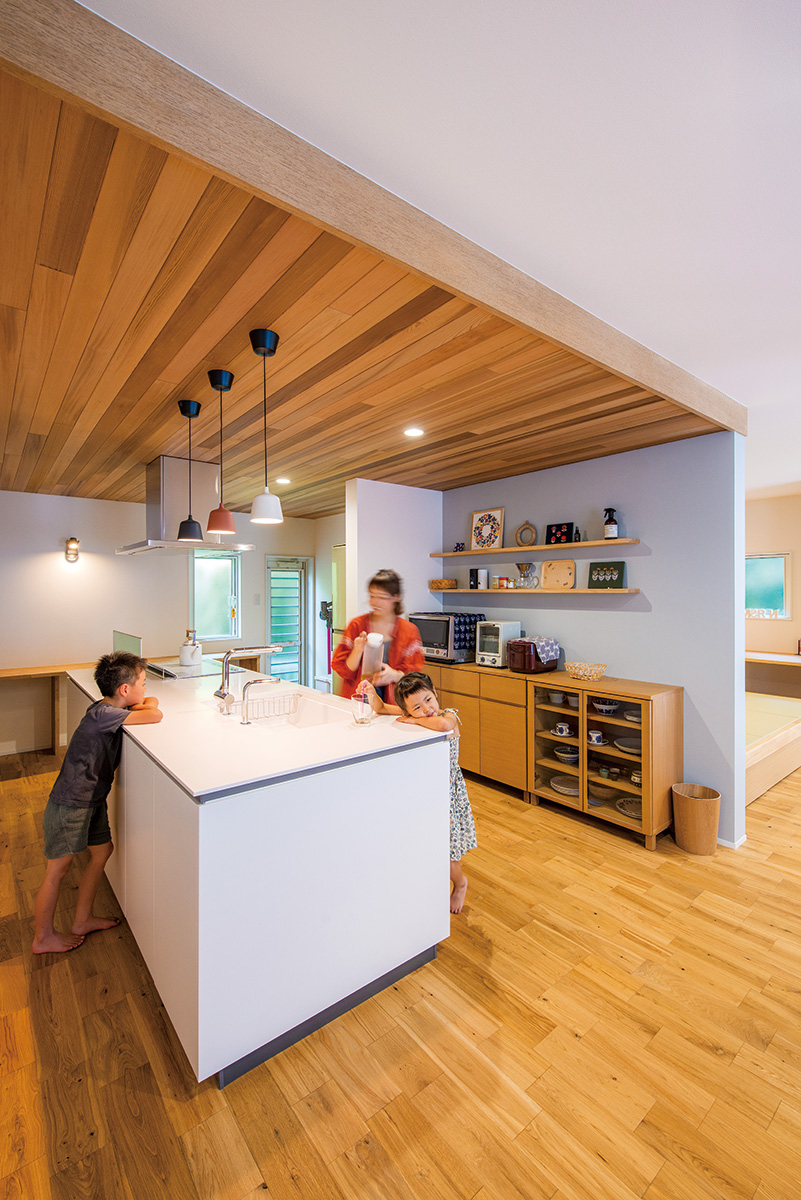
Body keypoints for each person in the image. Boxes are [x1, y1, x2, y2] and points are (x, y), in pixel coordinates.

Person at [32, 651, 163, 954]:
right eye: (143, 683)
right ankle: (42, 937)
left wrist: (139, 702)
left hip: (92, 799)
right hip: (71, 802)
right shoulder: (104, 715)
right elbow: (154, 713)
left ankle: (82, 919)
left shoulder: (106, 707)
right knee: (57, 870)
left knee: (102, 851)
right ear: (125, 690)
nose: (146, 689)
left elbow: (150, 703)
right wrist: (143, 704)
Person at [362, 671, 477, 913]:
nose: (426, 709)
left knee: (447, 851)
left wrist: (415, 719)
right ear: (407, 710)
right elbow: (381, 709)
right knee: (429, 845)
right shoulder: (415, 714)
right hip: (427, 791)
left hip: (448, 795)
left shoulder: (448, 715)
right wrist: (371, 693)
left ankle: (460, 884)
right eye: (416, 707)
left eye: (428, 700)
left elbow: (444, 725)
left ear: (435, 693)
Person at [332, 568, 425, 704]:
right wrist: (357, 650)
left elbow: (415, 677)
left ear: (396, 597)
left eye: (382, 597)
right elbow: (344, 671)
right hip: (359, 702)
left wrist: (394, 675)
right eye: (372, 596)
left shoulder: (409, 631)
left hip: (394, 705)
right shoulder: (357, 625)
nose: (374, 602)